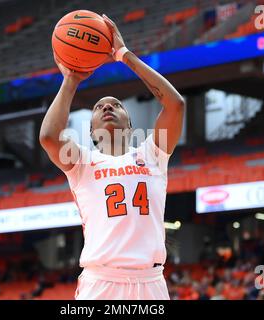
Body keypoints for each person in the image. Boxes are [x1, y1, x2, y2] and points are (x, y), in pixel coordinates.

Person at [40, 14, 185, 300]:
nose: (107, 107)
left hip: (150, 282)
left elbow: (175, 104)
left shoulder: (152, 153)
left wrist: (123, 55)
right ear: (92, 131)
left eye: (116, 105)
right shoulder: (81, 162)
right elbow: (48, 138)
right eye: (99, 107)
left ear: (130, 126)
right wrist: (71, 80)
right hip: (102, 282)